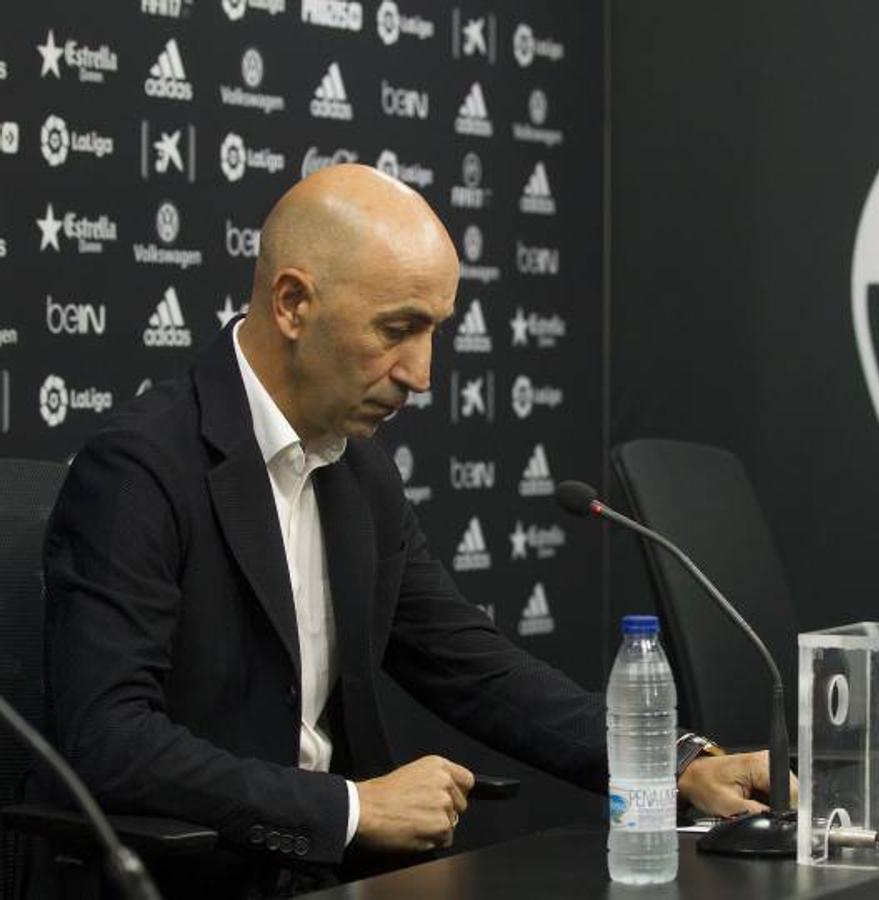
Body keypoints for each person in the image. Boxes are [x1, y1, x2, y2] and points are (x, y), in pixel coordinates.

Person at [43, 164, 792, 891]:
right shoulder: (140, 467)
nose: (422, 373)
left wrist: (673, 763)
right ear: (293, 304)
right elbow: (108, 739)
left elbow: (471, 666)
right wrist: (349, 809)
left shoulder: (358, 472)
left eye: (434, 331)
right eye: (398, 329)